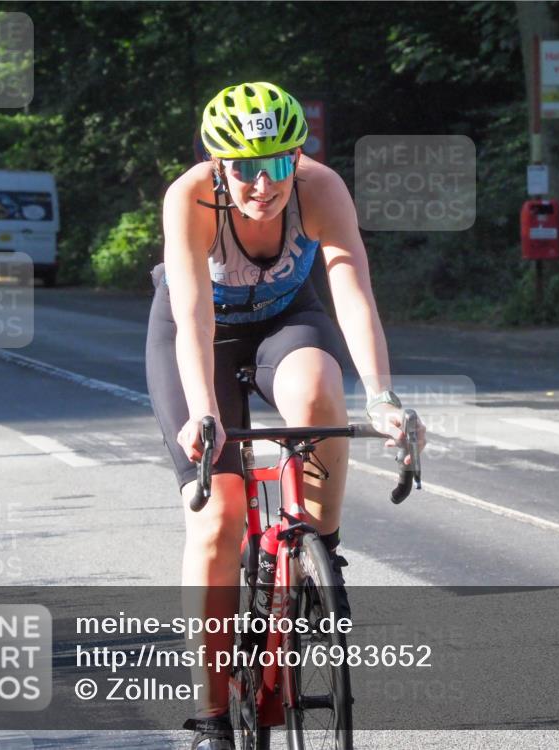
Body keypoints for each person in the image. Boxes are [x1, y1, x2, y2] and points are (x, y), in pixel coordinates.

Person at [144, 82, 425, 749]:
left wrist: (382, 398)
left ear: (296, 157)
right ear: (217, 163)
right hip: (198, 338)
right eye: (244, 167)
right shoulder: (189, 198)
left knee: (320, 389)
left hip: (285, 322)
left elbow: (352, 292)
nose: (262, 184)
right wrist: (204, 413)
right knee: (217, 519)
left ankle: (318, 551)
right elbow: (193, 318)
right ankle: (212, 716)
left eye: (276, 164)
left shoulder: (320, 188)